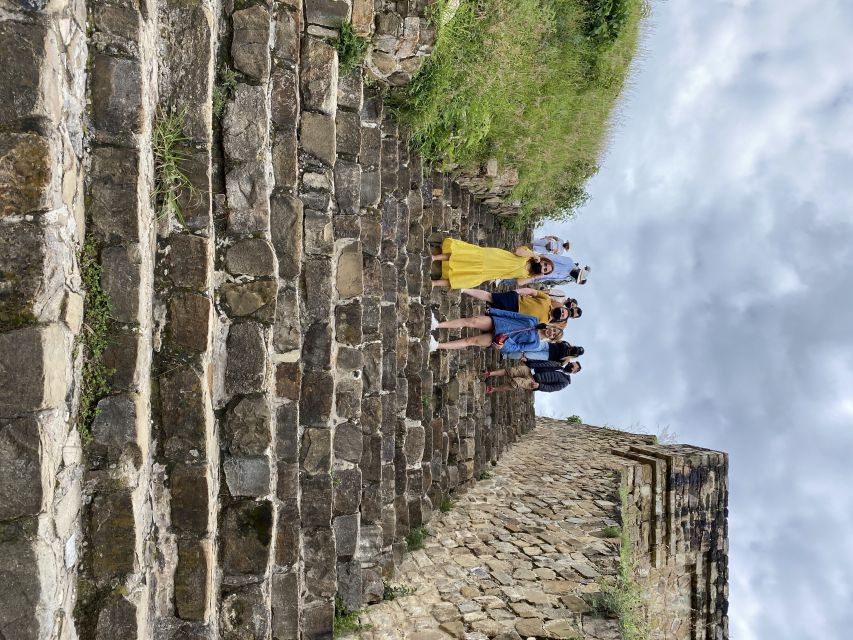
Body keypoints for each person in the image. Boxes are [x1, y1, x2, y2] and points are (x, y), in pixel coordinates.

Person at [431, 239, 554, 289]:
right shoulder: (528, 255)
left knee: (463, 280)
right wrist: (534, 255)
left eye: (545, 269)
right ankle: (435, 258)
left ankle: (434, 283)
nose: (543, 267)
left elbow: (519, 282)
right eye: (545, 264)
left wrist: (535, 277)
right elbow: (518, 251)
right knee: (462, 256)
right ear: (542, 260)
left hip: (490, 272)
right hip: (491, 257)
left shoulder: (528, 275)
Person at [431, 308, 564, 352]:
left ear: (551, 339)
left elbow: (517, 348)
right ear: (551, 326)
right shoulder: (534, 321)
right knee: (471, 321)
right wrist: (494, 311)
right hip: (500, 323)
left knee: (471, 340)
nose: (551, 332)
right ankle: (437, 325)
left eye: (553, 335)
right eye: (553, 330)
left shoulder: (535, 344)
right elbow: (513, 315)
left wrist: (503, 345)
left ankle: (437, 345)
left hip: (501, 340)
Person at [460, 287, 581, 325]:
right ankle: (464, 290)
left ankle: (464, 319)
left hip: (513, 316)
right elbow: (532, 291)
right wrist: (517, 292)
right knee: (490, 296)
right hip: (515, 300)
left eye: (564, 316)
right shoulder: (547, 300)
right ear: (561, 307)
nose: (563, 313)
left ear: (560, 319)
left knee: (488, 316)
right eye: (564, 311)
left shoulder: (545, 323)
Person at [485, 360, 581, 394]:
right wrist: (528, 361)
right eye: (571, 363)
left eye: (573, 367)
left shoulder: (565, 382)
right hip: (531, 373)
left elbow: (552, 388)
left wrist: (539, 386)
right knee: (512, 370)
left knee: (516, 383)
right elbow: (542, 363)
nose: (570, 365)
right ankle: (490, 373)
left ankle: (493, 389)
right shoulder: (558, 365)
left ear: (574, 372)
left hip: (534, 383)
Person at [504, 341, 584, 363]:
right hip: (547, 346)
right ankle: (508, 347)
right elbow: (557, 341)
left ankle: (506, 356)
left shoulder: (567, 359)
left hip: (547, 356)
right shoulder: (567, 344)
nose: (575, 350)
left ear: (576, 355)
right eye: (576, 348)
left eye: (576, 351)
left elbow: (558, 363)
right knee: (528, 346)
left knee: (527, 354)